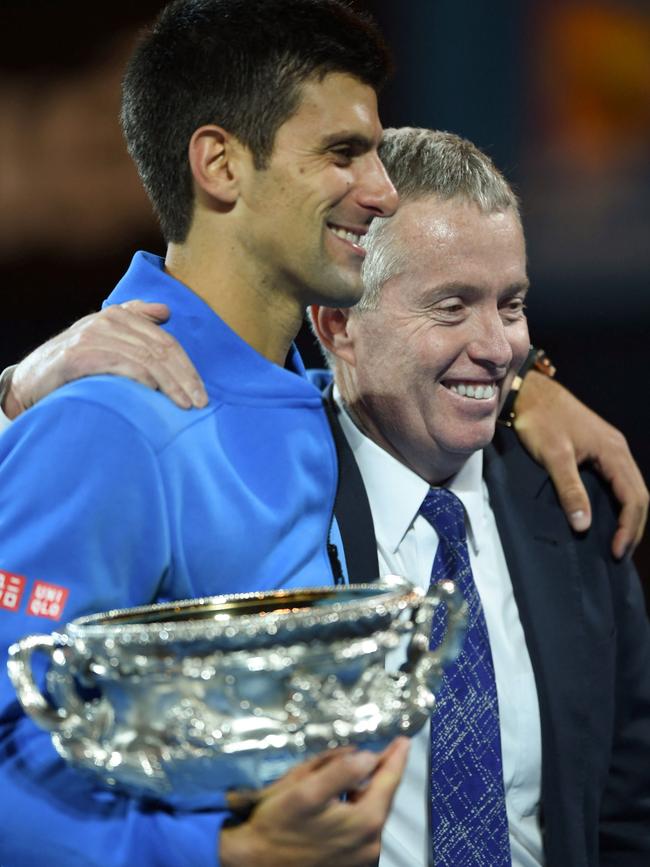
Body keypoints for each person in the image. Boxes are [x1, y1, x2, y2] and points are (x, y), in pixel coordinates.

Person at [0, 0, 645, 864]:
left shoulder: (311, 407)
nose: (381, 191)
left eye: (375, 152)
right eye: (343, 153)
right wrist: (222, 855)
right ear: (221, 165)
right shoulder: (107, 418)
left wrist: (525, 388)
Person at [309, 127, 650, 866]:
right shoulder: (270, 493)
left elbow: (626, 810)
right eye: (452, 306)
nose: (499, 347)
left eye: (512, 303)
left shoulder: (573, 504)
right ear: (339, 324)